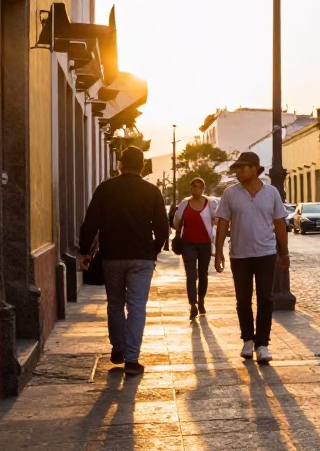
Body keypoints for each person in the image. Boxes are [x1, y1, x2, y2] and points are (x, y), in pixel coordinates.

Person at [77, 146, 168, 374]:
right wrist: (153, 251)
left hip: (112, 256)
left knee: (115, 304)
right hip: (141, 258)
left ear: (119, 164)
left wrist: (84, 251)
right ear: (143, 166)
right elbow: (162, 228)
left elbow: (91, 222)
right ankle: (131, 359)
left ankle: (117, 347)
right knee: (137, 307)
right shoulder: (151, 191)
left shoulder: (105, 189)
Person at [213, 151, 289, 364]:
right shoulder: (230, 193)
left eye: (243, 167)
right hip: (240, 255)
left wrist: (284, 252)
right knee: (243, 300)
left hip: (266, 254)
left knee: (265, 298)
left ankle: (262, 344)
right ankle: (247, 339)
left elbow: (279, 223)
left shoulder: (271, 192)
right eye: (237, 168)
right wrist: (218, 251)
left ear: (256, 169)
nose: (239, 172)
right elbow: (222, 223)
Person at [172, 177, 217, 319]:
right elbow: (176, 221)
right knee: (191, 275)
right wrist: (178, 232)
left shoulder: (210, 203)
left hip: (205, 243)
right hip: (188, 243)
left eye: (200, 187)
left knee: (203, 274)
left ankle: (201, 300)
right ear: (191, 188)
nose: (197, 190)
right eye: (194, 187)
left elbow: (216, 220)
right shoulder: (185, 204)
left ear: (204, 189)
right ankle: (193, 304)